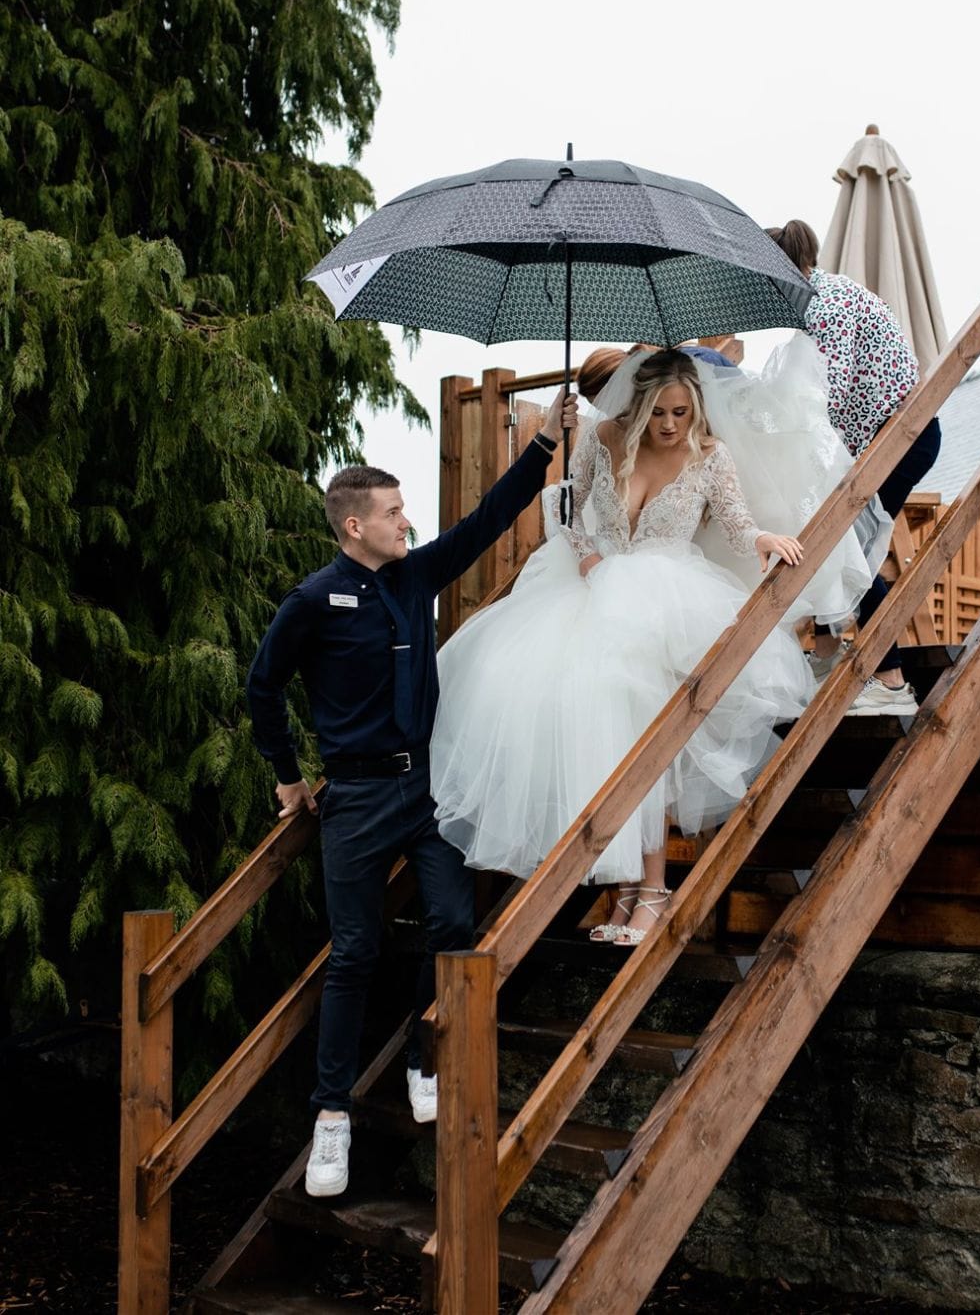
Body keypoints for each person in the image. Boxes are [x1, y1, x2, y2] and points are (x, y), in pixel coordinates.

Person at [430, 344, 877, 946]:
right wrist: (586, 554)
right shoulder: (602, 438)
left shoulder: (711, 458)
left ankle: (655, 893)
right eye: (660, 413)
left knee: (649, 743)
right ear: (639, 406)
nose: (670, 425)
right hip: (587, 587)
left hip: (666, 605)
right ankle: (624, 892)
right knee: (596, 738)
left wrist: (766, 537)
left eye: (681, 414)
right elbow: (566, 506)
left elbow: (736, 524)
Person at [246, 388, 577, 1198]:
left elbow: (486, 524)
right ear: (354, 525)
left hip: (428, 791)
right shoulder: (313, 601)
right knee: (354, 954)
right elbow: (263, 688)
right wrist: (290, 777)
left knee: (456, 921)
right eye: (395, 513)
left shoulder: (416, 575)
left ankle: (426, 1061)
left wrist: (543, 447)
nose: (409, 523)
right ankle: (331, 1119)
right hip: (353, 802)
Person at [768, 219, 937, 715]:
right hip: (885, 441)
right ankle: (825, 654)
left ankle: (891, 680)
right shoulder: (820, 298)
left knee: (851, 556)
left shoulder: (825, 307)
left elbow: (830, 395)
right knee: (839, 544)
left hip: (901, 441)